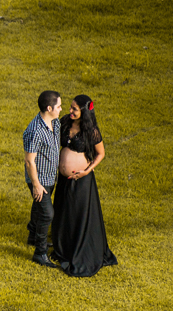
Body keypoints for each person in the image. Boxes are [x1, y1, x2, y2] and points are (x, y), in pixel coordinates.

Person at [51, 95, 117, 276]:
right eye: (70, 107)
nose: (70, 111)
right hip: (64, 179)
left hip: (81, 180)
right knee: (64, 212)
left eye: (74, 109)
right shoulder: (65, 122)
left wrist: (87, 171)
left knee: (78, 214)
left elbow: (100, 154)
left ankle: (78, 249)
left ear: (84, 113)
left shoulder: (91, 131)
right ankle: (63, 246)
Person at [23, 90, 62, 268]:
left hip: (50, 177)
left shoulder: (56, 123)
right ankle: (40, 253)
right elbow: (30, 161)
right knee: (47, 213)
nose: (61, 109)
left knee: (39, 207)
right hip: (39, 179)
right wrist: (36, 185)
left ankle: (32, 236)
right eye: (59, 106)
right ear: (49, 108)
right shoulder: (36, 131)